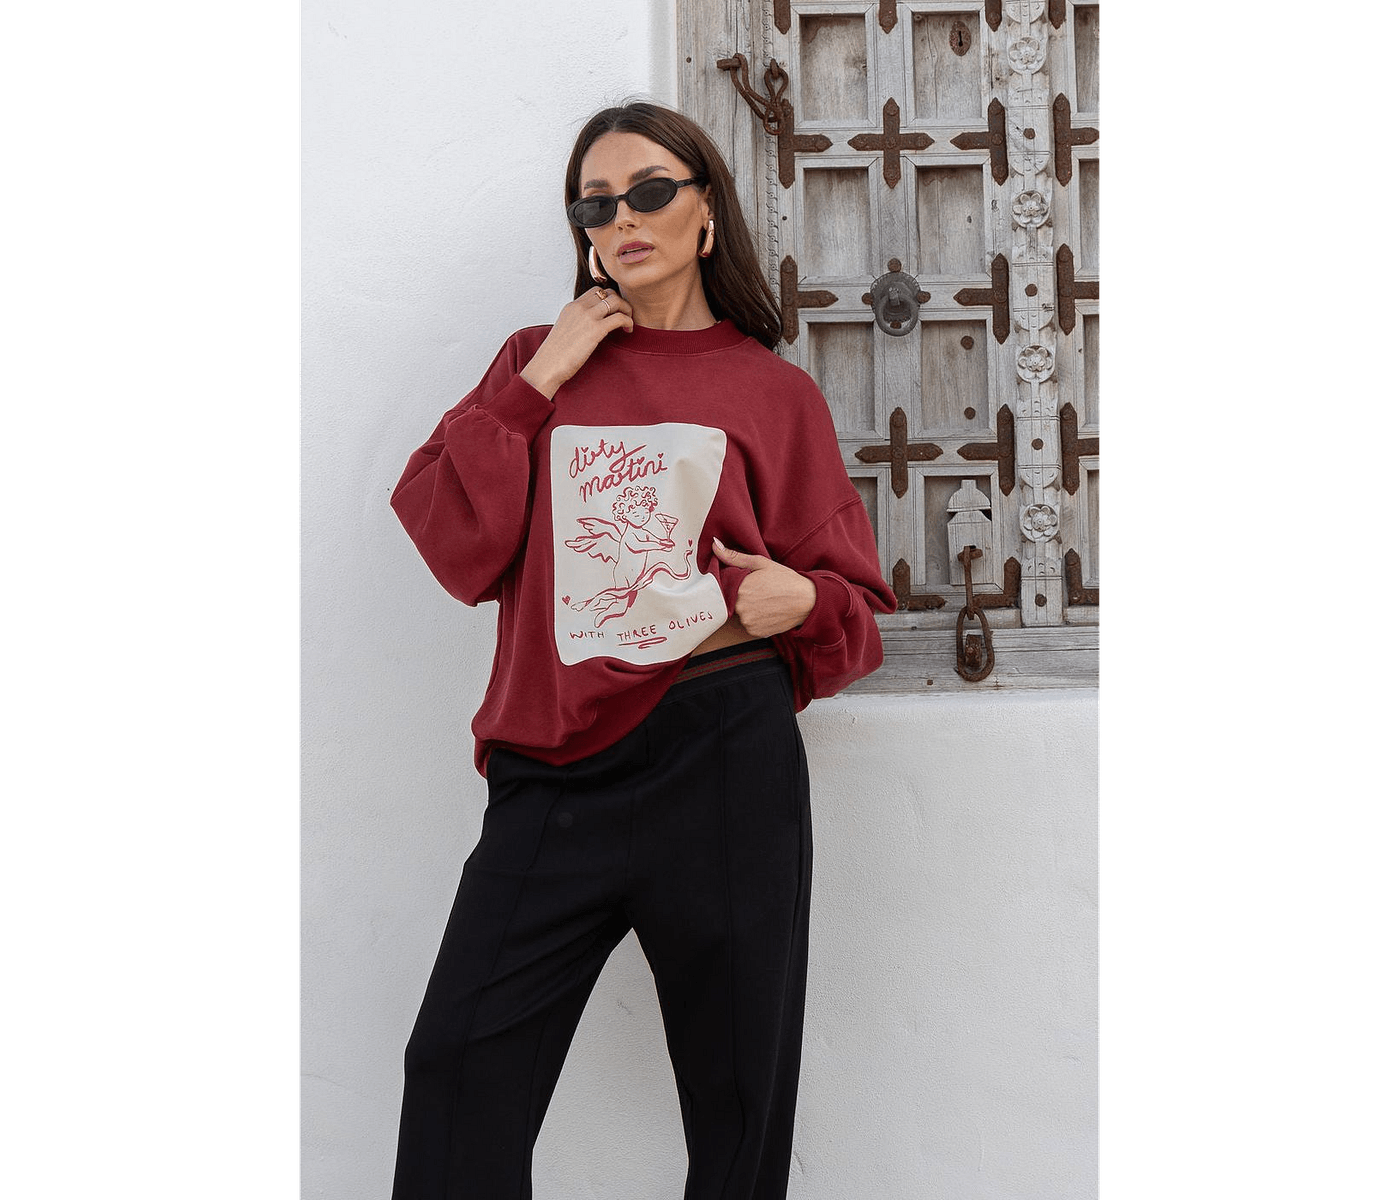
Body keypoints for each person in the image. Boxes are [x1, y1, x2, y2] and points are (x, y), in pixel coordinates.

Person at [388, 100, 896, 1198]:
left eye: (650, 192)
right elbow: (450, 540)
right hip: (552, 770)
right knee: (456, 1068)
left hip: (724, 754)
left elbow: (853, 611)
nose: (622, 218)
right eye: (595, 204)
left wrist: (801, 598)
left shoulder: (773, 393)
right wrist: (537, 381)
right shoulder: (533, 364)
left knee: (738, 1102)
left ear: (706, 214)